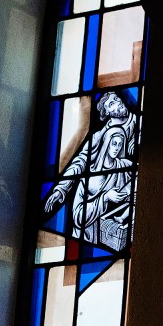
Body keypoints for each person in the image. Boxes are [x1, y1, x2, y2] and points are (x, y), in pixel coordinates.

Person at [44, 91, 138, 239]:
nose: (118, 103)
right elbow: (80, 162)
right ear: (107, 113)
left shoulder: (140, 124)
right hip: (93, 206)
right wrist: (60, 188)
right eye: (111, 104)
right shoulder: (100, 136)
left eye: (116, 98)